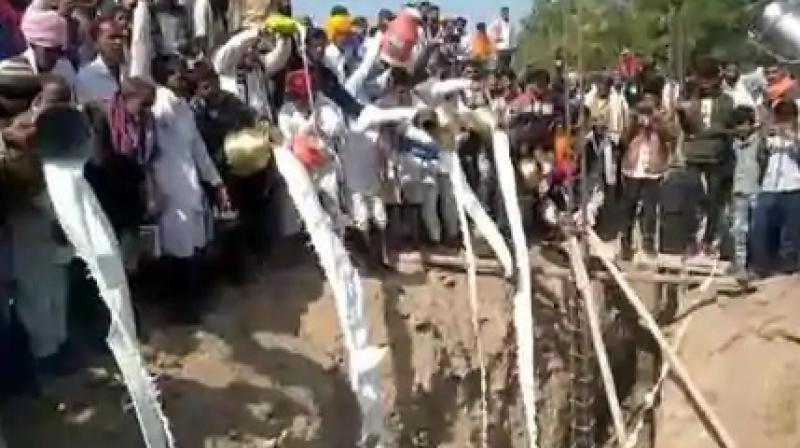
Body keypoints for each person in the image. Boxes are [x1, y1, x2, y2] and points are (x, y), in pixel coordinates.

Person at [150, 55, 228, 321]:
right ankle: (178, 314)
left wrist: (216, 182)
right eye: (176, 74)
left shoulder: (182, 107)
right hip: (168, 189)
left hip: (189, 186)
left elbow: (198, 149)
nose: (183, 78)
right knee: (176, 253)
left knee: (194, 248)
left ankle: (191, 308)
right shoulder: (158, 106)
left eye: (184, 73)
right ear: (162, 77)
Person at [678, 58, 734, 255]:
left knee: (714, 200)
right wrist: (682, 116)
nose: (706, 86)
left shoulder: (727, 101)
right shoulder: (692, 102)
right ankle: (691, 240)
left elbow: (724, 127)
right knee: (691, 198)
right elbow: (688, 129)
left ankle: (709, 240)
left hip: (716, 156)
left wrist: (706, 133)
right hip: (694, 155)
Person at [751, 99, 800, 276]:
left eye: (787, 118)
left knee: (791, 234)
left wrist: (792, 139)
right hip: (769, 187)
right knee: (762, 229)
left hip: (793, 187)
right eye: (780, 118)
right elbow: (760, 158)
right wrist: (764, 138)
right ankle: (763, 267)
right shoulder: (771, 135)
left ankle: (789, 268)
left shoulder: (796, 136)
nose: (783, 122)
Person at [619, 102, 671, 260]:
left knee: (650, 209)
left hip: (653, 172)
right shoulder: (633, 128)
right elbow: (623, 141)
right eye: (642, 114)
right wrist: (634, 124)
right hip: (632, 170)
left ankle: (648, 242)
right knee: (629, 207)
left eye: (648, 114)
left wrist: (657, 123)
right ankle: (625, 242)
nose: (645, 119)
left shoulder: (658, 128)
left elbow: (669, 136)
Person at [727, 105, 764, 281]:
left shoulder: (760, 142)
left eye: (744, 124)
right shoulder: (732, 144)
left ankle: (756, 266)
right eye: (737, 125)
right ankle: (741, 266)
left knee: (756, 230)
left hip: (756, 190)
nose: (741, 128)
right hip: (738, 191)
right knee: (738, 230)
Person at [75, 17, 128, 103]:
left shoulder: (133, 71)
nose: (118, 42)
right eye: (112, 38)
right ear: (96, 43)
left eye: (120, 37)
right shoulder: (86, 76)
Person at [489, 6, 515, 71]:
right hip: (500, 49)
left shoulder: (511, 24)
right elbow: (490, 32)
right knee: (500, 68)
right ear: (501, 14)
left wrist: (514, 46)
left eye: (506, 12)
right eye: (503, 12)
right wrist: (496, 38)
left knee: (507, 67)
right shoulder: (497, 23)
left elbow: (512, 36)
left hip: (508, 49)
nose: (505, 14)